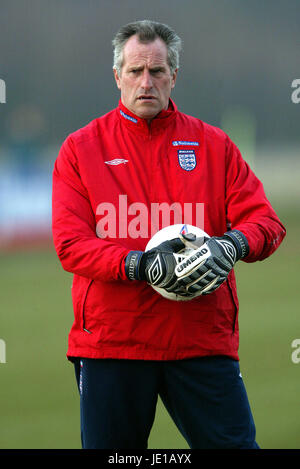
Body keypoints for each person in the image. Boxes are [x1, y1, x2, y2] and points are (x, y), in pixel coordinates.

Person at [52, 20, 286, 449]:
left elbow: (267, 224)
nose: (146, 81)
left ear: (173, 77)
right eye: (135, 70)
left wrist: (231, 244)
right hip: (113, 344)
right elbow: (71, 245)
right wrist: (138, 264)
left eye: (157, 71)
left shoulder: (214, 146)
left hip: (199, 340)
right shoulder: (81, 149)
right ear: (117, 75)